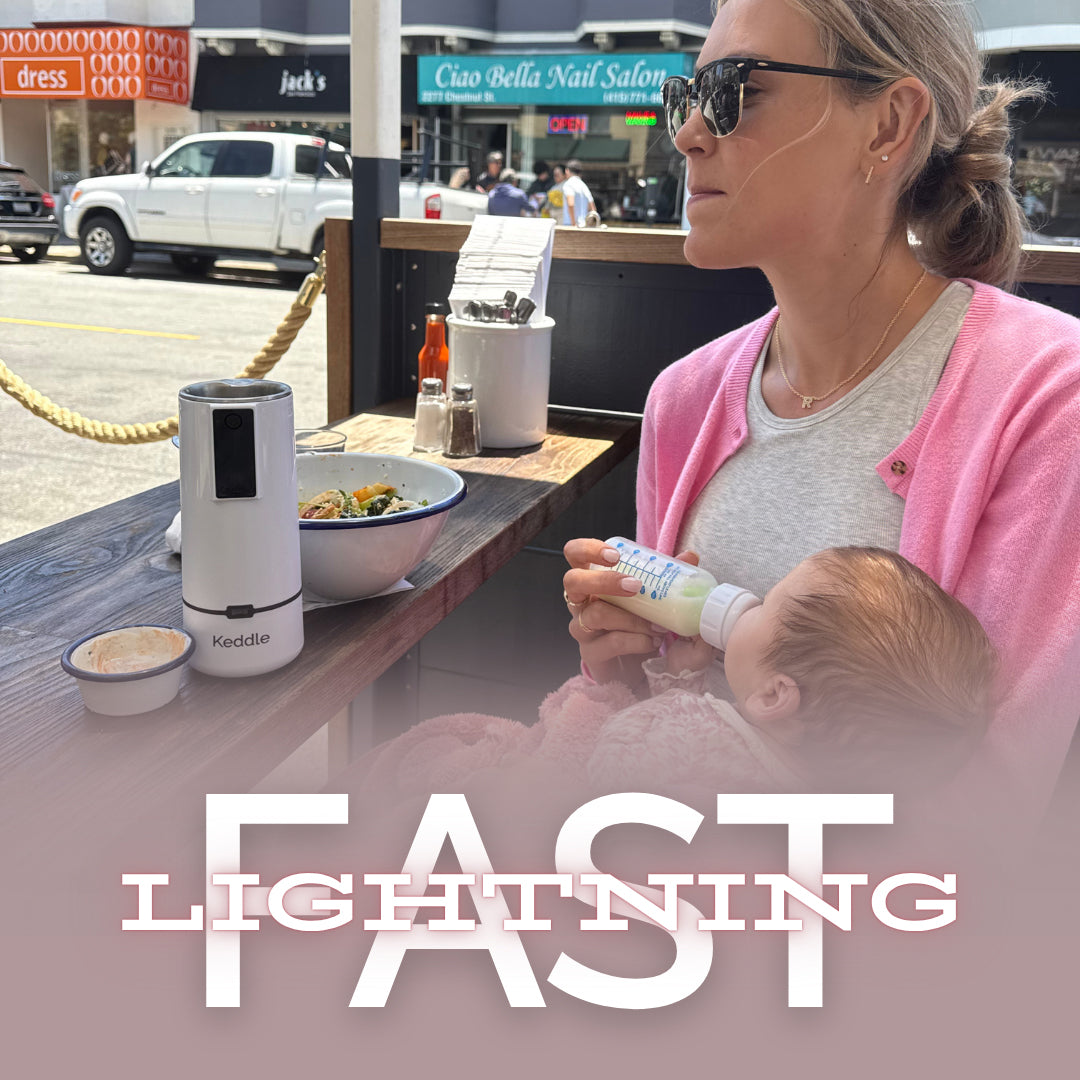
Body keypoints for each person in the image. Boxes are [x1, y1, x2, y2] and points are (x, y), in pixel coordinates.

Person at [561, 0, 1080, 812]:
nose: (689, 133)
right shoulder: (684, 399)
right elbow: (658, 717)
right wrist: (624, 668)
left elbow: (983, 813)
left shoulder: (1047, 397)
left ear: (889, 125)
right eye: (686, 97)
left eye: (737, 91)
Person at [344, 547, 995, 799]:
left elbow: (610, 765)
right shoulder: (802, 790)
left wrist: (597, 702)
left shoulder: (691, 745)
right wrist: (680, 681)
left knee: (418, 770)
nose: (745, 598)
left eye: (766, 605)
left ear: (774, 695)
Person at [561, 159, 596, 227]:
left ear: (567, 171)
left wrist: (573, 223)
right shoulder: (584, 186)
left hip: (570, 225)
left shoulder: (568, 184)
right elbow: (593, 209)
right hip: (584, 226)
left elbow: (571, 204)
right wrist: (588, 224)